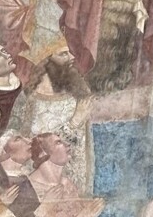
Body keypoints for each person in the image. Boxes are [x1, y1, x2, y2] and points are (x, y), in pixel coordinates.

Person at [8, 43, 92, 193]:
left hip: (75, 179)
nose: (72, 57)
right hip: (43, 183)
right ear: (45, 60)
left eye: (69, 52)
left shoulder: (78, 91)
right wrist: (74, 123)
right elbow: (29, 142)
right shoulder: (28, 99)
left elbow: (84, 144)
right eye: (63, 54)